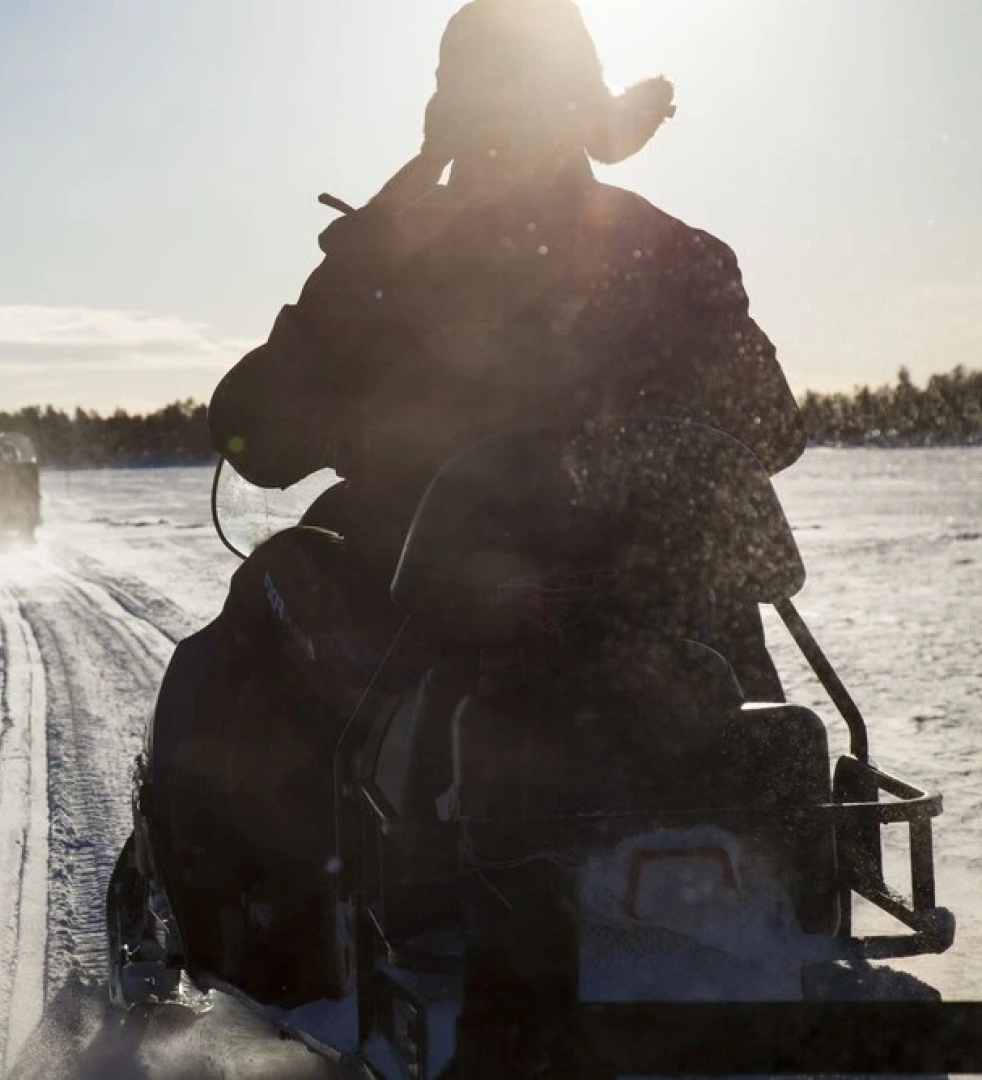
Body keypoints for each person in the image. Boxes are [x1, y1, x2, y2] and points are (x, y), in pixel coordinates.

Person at [146, 0, 809, 1002]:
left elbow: (253, 435)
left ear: (446, 110)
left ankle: (273, 952)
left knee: (268, 597)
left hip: (445, 598)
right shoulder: (672, 249)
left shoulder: (395, 257)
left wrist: (387, 232)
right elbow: (771, 427)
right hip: (651, 596)